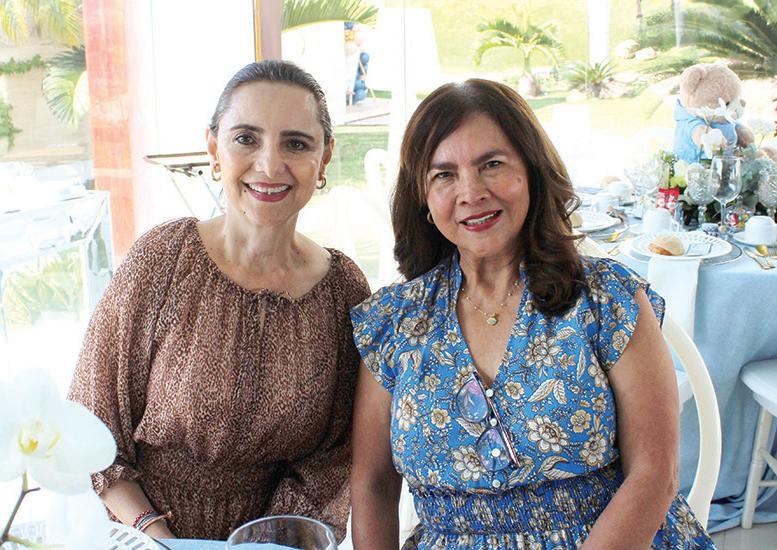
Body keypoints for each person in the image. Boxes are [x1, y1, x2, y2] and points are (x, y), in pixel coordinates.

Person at [350, 79, 715, 549]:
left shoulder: (606, 300)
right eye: (444, 175)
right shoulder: (394, 321)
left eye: (492, 165)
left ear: (532, 171)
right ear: (422, 196)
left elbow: (655, 473)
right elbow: (373, 484)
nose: (471, 192)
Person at [68, 60, 370, 541]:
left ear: (325, 157)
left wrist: (262, 543)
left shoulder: (343, 291)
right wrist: (162, 538)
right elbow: (90, 425)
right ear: (214, 148)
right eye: (246, 139)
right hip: (138, 534)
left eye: (295, 143)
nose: (269, 165)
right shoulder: (163, 260)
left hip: (275, 542)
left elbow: (333, 458)